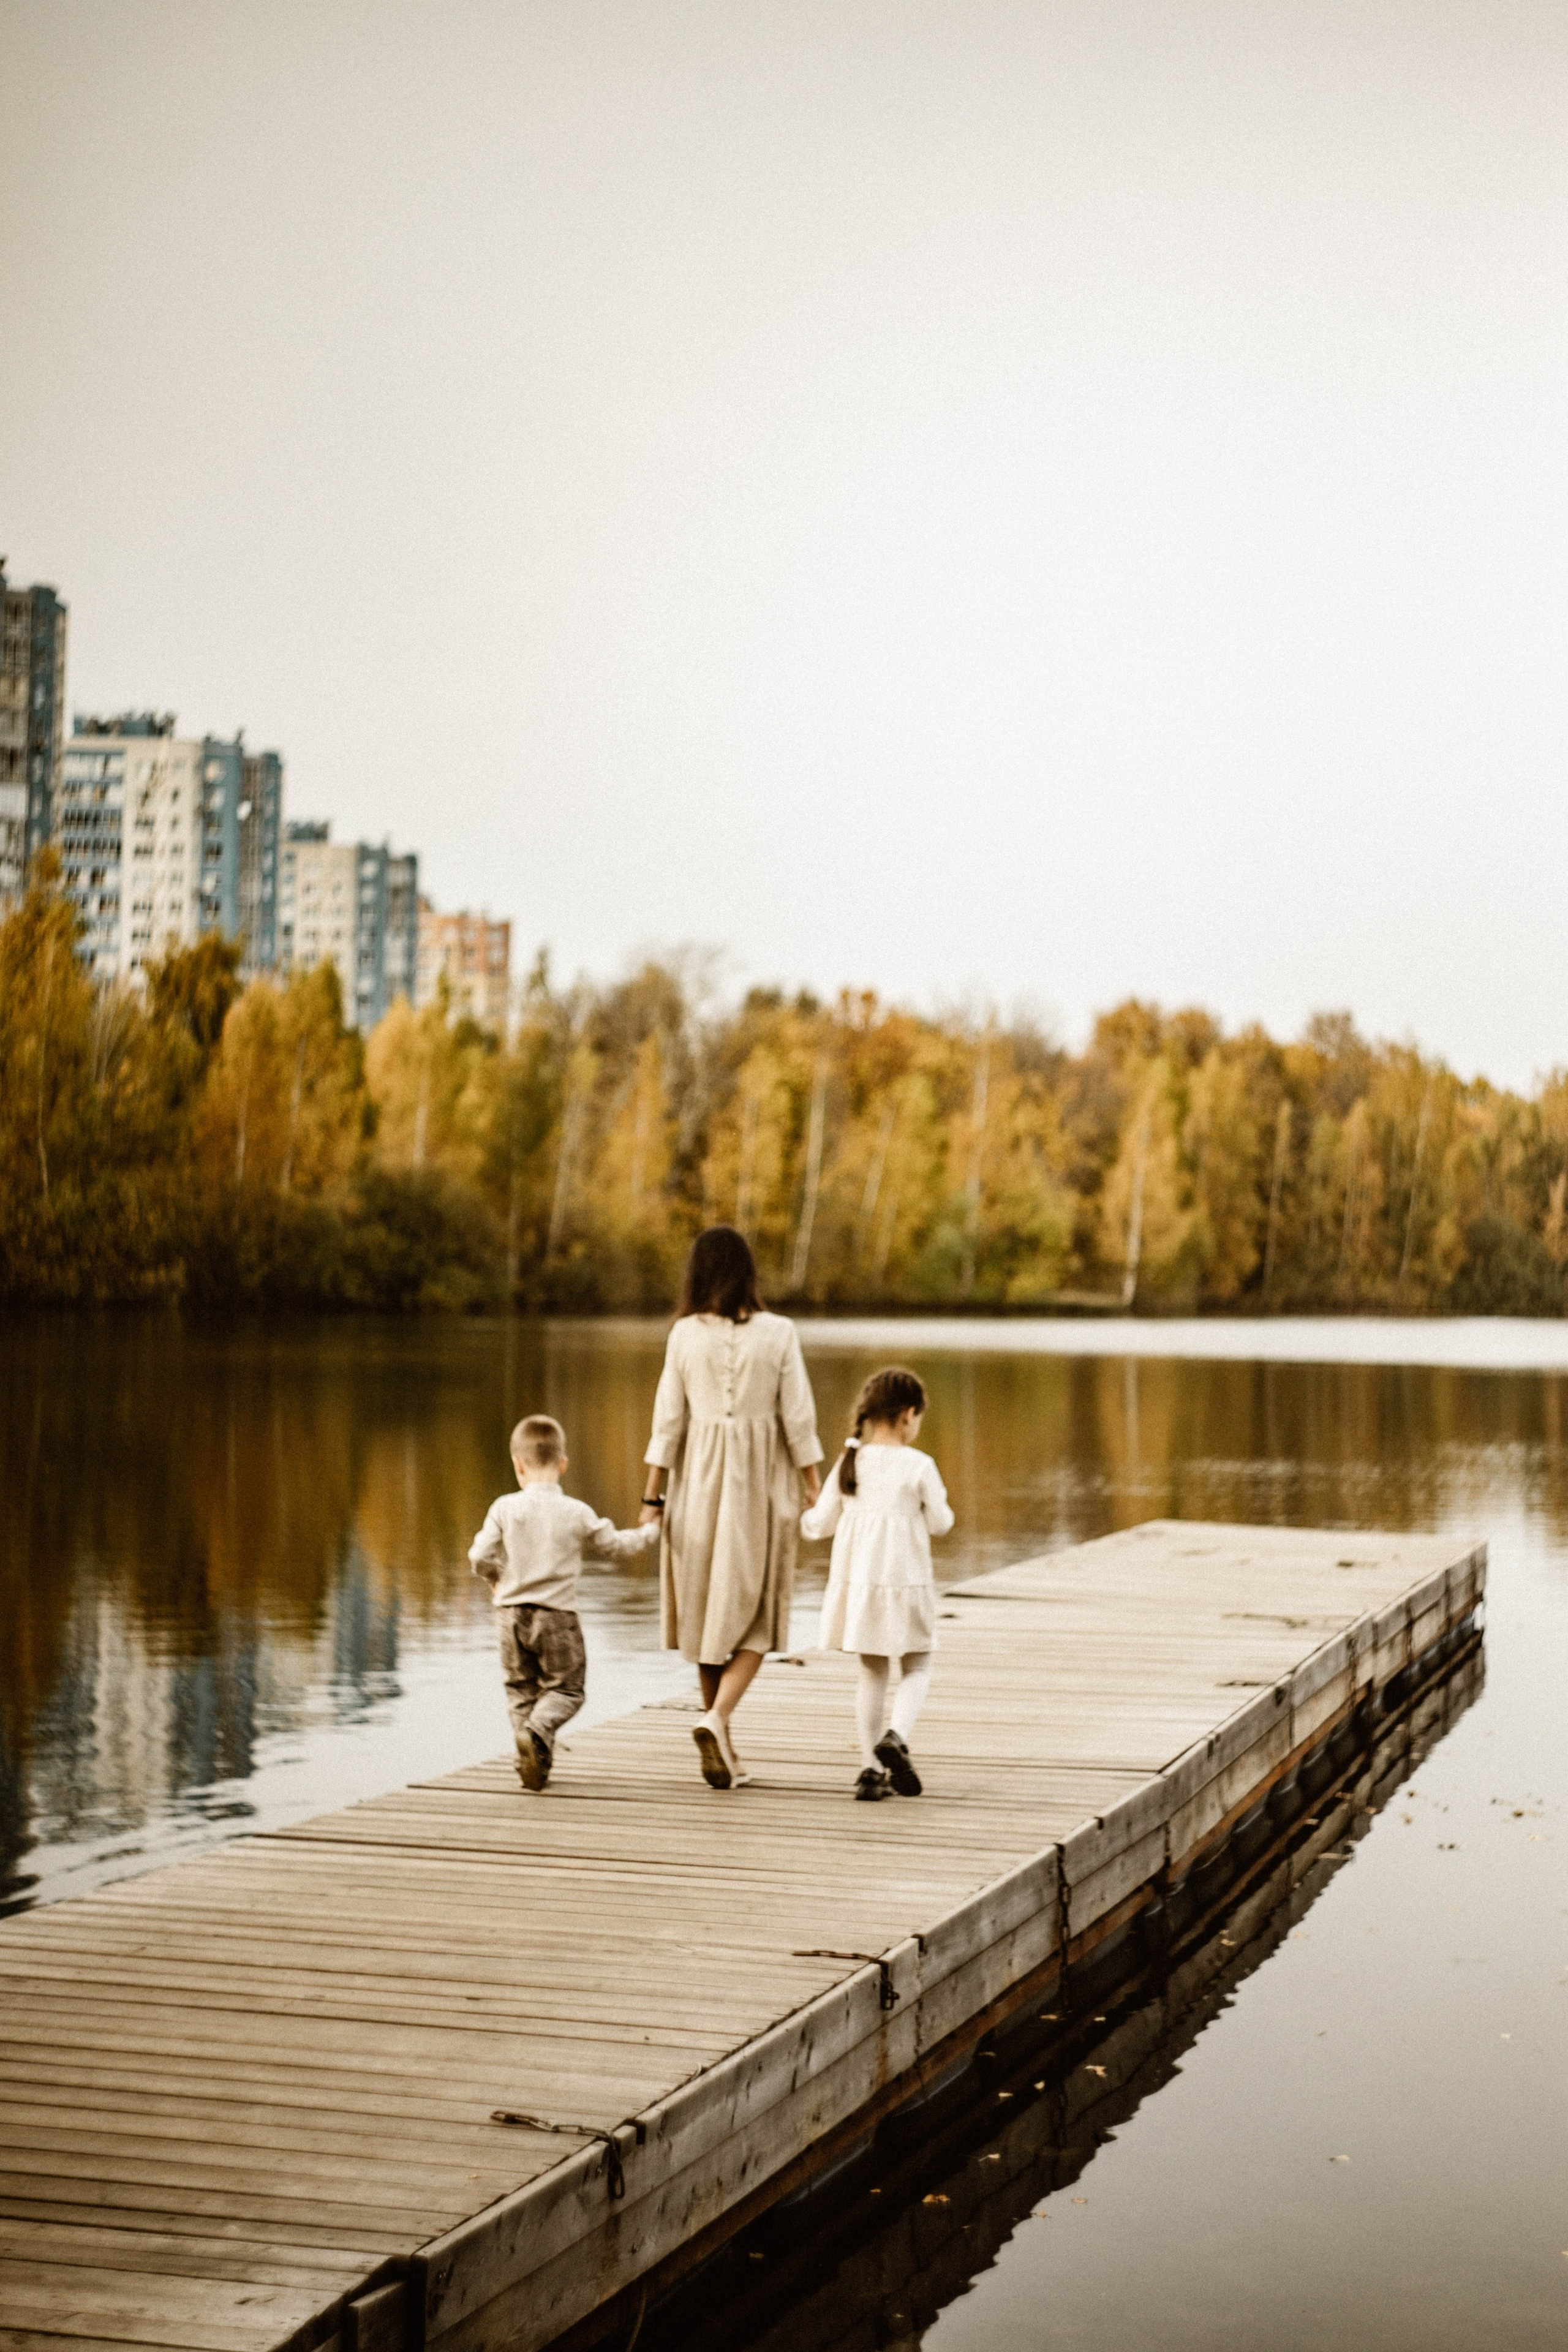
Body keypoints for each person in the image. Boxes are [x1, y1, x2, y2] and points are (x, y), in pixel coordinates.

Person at [640, 1226, 823, 1789]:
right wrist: (812, 1482)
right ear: (748, 1272)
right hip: (759, 1485)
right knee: (758, 1613)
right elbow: (798, 1416)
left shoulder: (683, 1335)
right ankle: (718, 1721)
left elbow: (669, 1420)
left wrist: (652, 1499)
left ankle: (717, 1730)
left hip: (695, 1482)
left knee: (704, 1612)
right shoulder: (780, 1332)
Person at [469, 1414, 658, 1791]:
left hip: (509, 1616)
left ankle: (535, 1763)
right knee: (568, 1690)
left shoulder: (504, 1507)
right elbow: (617, 1546)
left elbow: (478, 1556)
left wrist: (496, 1579)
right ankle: (538, 1736)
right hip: (556, 1617)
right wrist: (652, 1529)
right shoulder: (576, 1511)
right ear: (563, 1464)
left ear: (518, 1465)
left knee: (521, 1690)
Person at [802, 1366, 954, 1801]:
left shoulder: (850, 1463)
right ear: (908, 1415)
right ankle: (897, 1736)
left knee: (872, 1672)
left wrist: (804, 1512)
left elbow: (819, 1526)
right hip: (907, 1585)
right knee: (918, 1665)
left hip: (861, 1588)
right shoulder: (919, 1465)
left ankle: (869, 1770)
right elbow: (942, 1523)